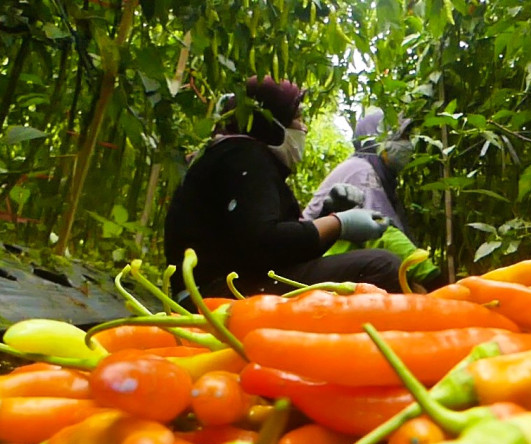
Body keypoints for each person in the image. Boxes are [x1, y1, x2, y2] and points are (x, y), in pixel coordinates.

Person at [163, 76, 402, 302]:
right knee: (383, 267)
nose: (304, 127)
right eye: (297, 117)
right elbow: (264, 244)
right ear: (269, 122)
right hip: (220, 293)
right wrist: (339, 224)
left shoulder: (234, 156)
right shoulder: (243, 157)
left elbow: (273, 247)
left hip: (224, 285)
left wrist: (328, 215)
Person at [302, 110, 443, 290]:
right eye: (402, 137)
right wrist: (434, 280)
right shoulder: (361, 172)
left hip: (322, 264)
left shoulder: (372, 172)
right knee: (385, 264)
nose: (408, 144)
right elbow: (382, 233)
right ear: (379, 139)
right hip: (316, 268)